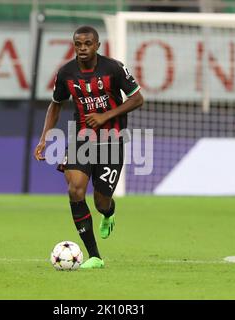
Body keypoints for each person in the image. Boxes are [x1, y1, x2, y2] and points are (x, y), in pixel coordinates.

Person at [34, 26, 144, 269]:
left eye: (87, 43)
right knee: (75, 190)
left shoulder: (114, 68)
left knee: (101, 200)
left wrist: (106, 116)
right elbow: (56, 104)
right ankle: (94, 256)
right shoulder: (66, 73)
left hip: (112, 140)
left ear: (97, 45)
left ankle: (108, 212)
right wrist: (44, 138)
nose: (82, 48)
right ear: (74, 45)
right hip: (82, 139)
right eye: (78, 44)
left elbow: (137, 98)